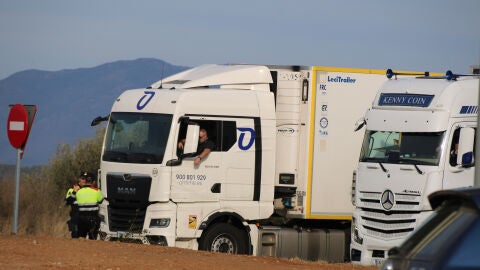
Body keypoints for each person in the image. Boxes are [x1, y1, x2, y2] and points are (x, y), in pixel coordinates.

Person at [75, 172, 103, 239]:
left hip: (81, 219)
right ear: (93, 182)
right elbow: (100, 200)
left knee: (81, 238)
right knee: (92, 239)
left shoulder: (79, 192)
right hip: (93, 219)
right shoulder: (97, 191)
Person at [65, 172, 88, 238]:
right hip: (75, 217)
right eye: (83, 178)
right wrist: (74, 192)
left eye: (86, 179)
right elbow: (68, 202)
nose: (84, 180)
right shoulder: (71, 189)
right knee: (75, 235)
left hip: (86, 217)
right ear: (79, 180)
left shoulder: (89, 190)